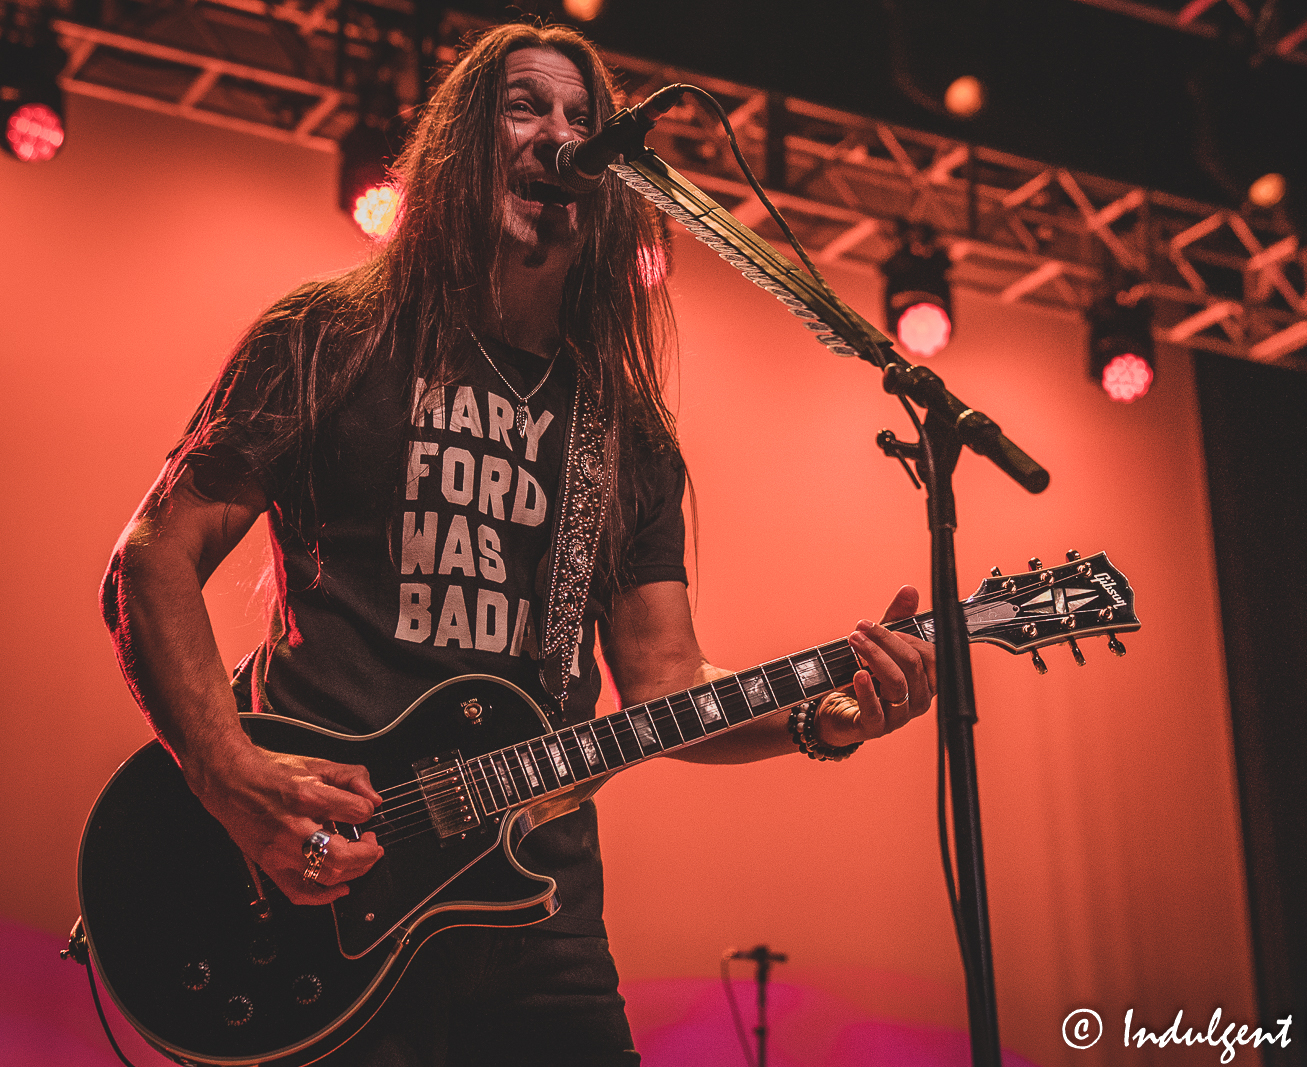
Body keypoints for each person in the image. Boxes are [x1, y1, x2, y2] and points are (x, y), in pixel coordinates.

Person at [99, 20, 936, 1066]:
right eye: (526, 105)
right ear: (459, 147)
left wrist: (829, 712)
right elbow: (152, 558)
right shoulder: (329, 337)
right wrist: (226, 770)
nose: (560, 133)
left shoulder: (623, 428)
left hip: (540, 925)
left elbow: (667, 681)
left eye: (585, 119)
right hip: (325, 880)